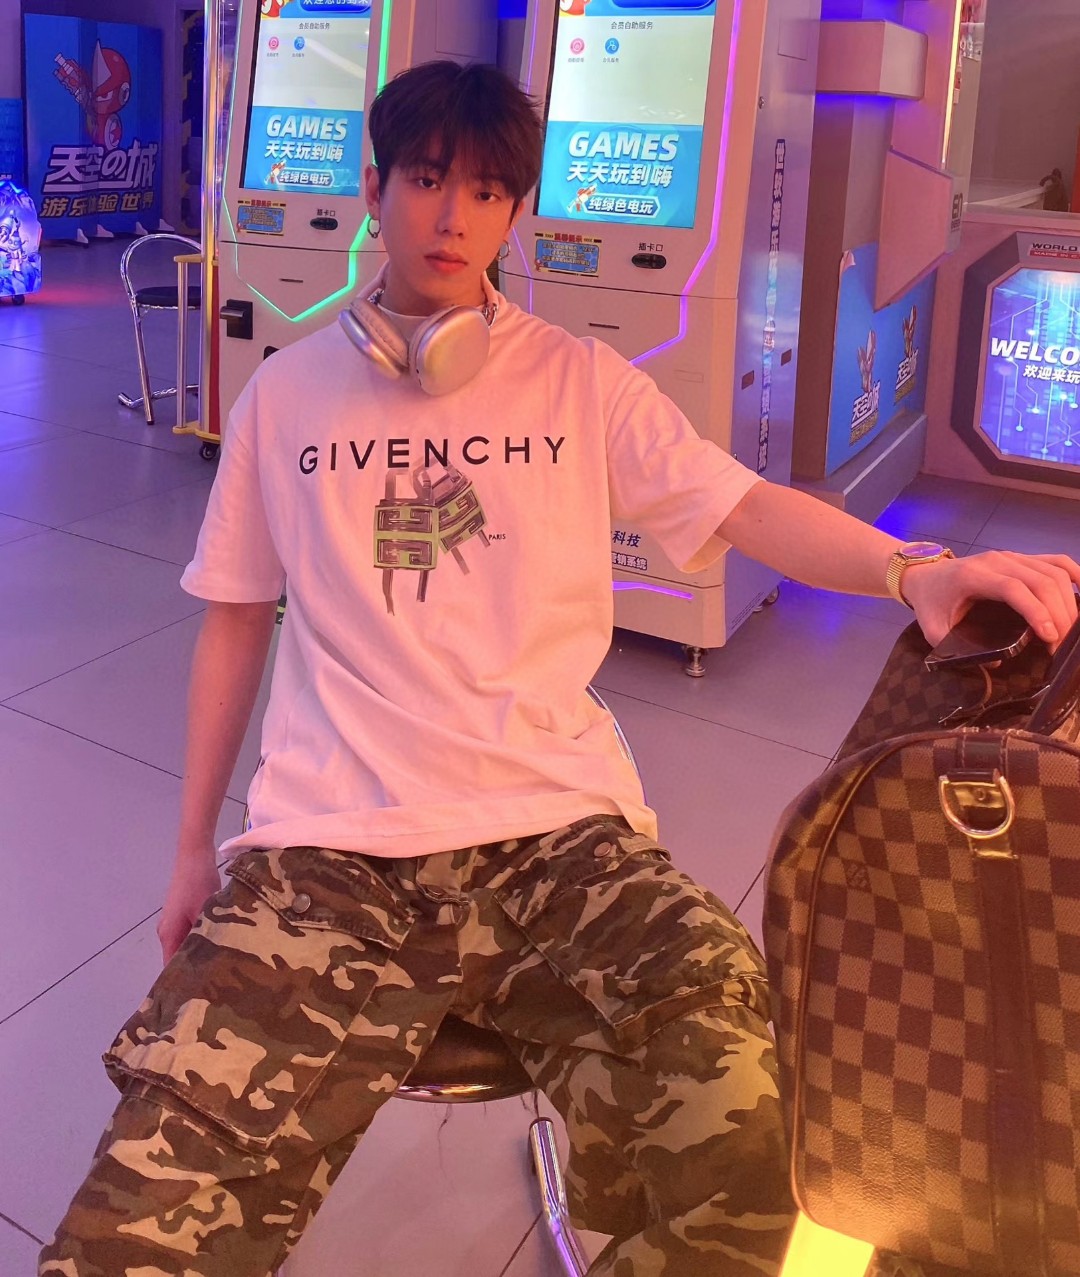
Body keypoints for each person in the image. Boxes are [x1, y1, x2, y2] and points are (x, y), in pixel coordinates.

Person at [40, 61, 1080, 1277]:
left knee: (765, 1145)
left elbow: (745, 505)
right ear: (374, 188)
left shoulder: (580, 383)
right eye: (427, 179)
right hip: (330, 844)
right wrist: (189, 852)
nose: (453, 217)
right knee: (142, 1211)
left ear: (516, 212)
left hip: (560, 837)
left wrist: (916, 570)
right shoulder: (284, 396)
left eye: (488, 191)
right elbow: (232, 622)